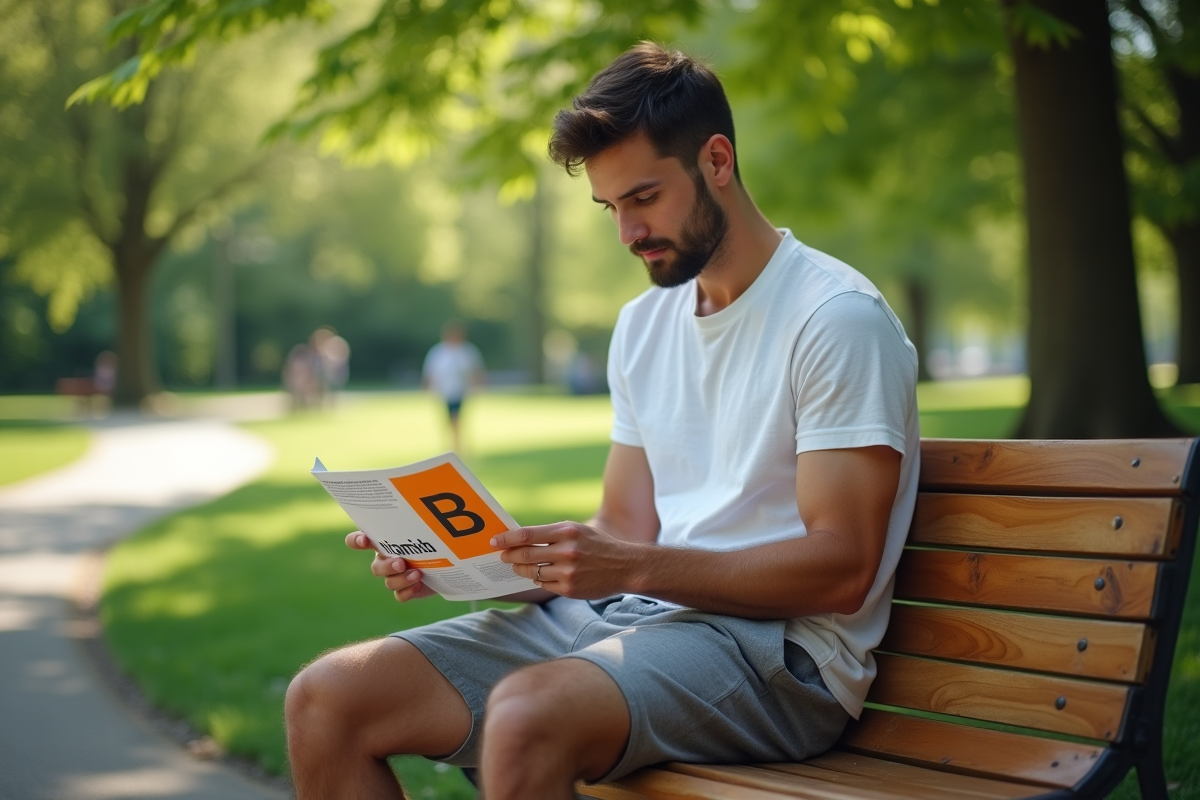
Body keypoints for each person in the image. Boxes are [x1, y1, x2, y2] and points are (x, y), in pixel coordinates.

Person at [285, 43, 919, 800]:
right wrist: (469, 567)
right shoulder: (645, 324)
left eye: (644, 197)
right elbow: (623, 523)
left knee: (524, 716)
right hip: (637, 619)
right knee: (325, 700)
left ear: (717, 160)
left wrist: (631, 567)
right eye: (611, 207)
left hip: (779, 657)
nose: (627, 232)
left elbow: (843, 569)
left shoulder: (835, 320)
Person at [421, 320, 484, 453]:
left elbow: (475, 371)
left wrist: (478, 386)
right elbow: (430, 372)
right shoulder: (438, 352)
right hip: (443, 392)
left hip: (461, 391)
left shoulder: (467, 351)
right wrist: (428, 388)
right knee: (448, 421)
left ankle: (458, 448)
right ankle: (450, 448)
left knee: (457, 420)